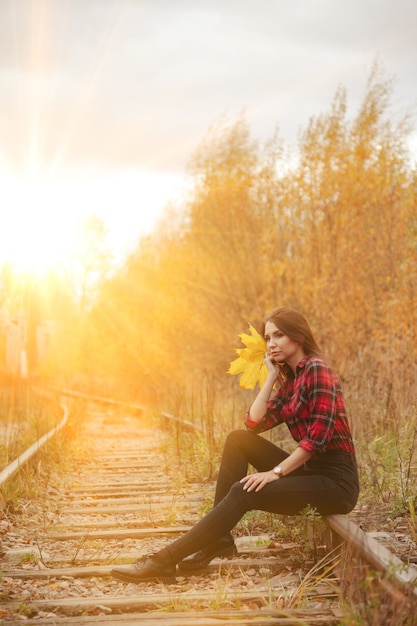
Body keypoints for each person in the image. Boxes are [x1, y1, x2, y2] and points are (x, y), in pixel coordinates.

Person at [111, 307, 359, 583]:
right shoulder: (291, 380)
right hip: (312, 473)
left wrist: (274, 473)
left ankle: (164, 560)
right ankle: (219, 540)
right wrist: (271, 378)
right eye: (267, 337)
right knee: (238, 440)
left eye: (279, 335)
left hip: (336, 483)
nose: (271, 343)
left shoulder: (316, 369)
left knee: (245, 491)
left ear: (298, 336)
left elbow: (316, 441)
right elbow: (254, 424)